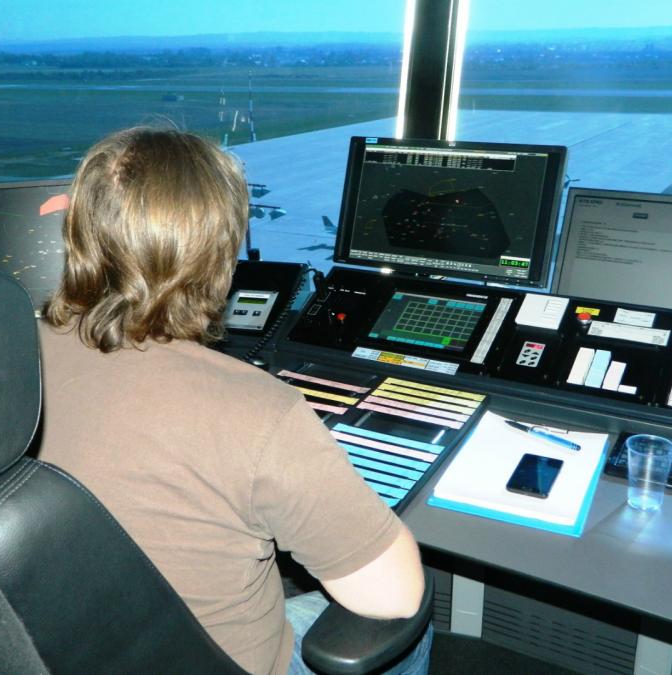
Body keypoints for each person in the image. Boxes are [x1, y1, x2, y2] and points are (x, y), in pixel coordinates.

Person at [37, 126, 430, 674]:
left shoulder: (3, 357)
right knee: (413, 627)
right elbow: (394, 597)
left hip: (55, 650)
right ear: (219, 252)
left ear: (79, 231)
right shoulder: (261, 413)